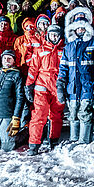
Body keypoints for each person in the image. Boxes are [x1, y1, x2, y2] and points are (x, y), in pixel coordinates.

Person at [57, 14, 94, 144]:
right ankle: (74, 140)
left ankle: (84, 141)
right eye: (77, 28)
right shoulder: (68, 47)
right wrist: (60, 85)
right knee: (73, 113)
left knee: (85, 112)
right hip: (72, 87)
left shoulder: (93, 44)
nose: (80, 31)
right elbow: (63, 69)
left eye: (82, 28)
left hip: (87, 86)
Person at [25, 24, 65, 155]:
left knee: (56, 116)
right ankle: (34, 144)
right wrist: (29, 85)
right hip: (42, 86)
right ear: (48, 35)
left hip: (58, 86)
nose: (54, 37)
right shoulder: (41, 49)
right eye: (52, 34)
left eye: (56, 35)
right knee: (39, 115)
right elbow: (33, 69)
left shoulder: (65, 50)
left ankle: (53, 140)